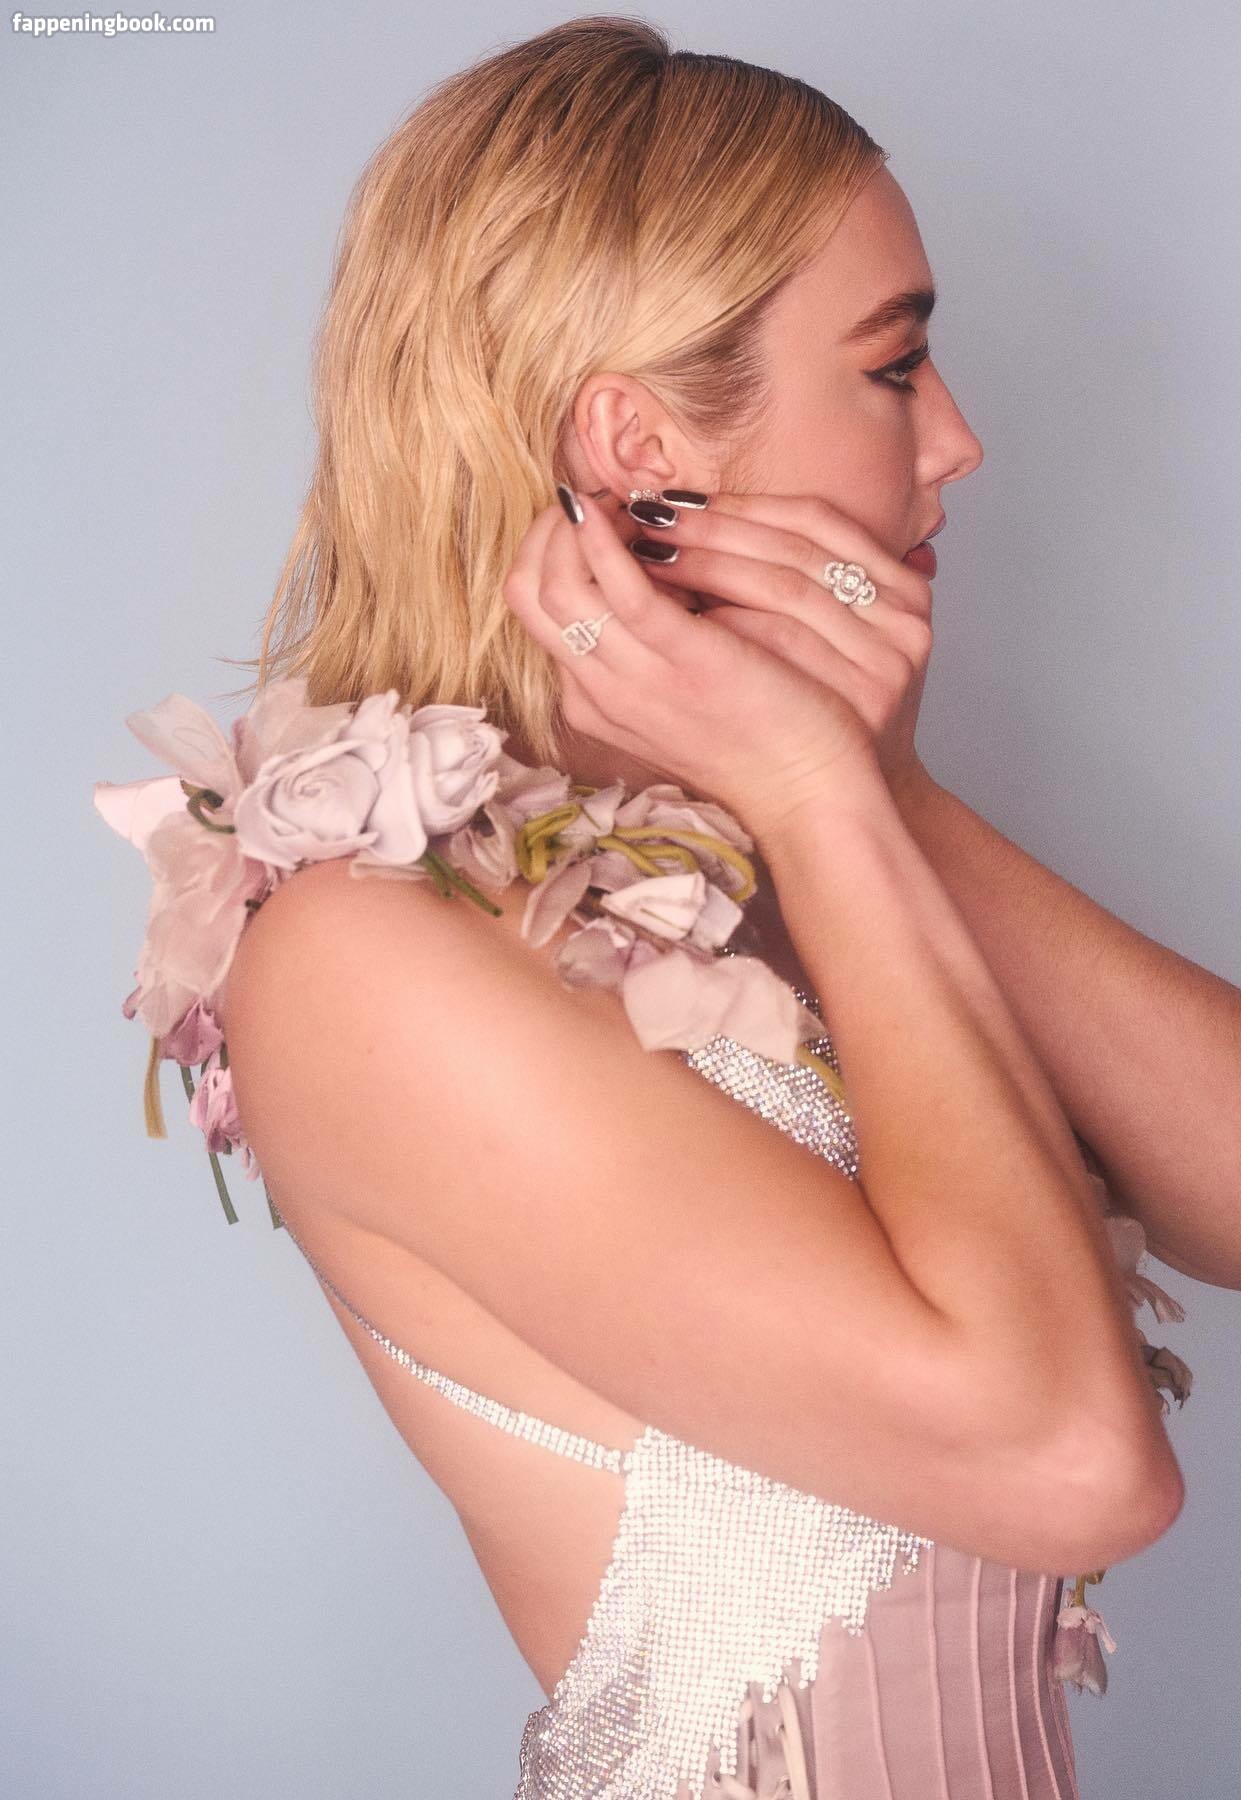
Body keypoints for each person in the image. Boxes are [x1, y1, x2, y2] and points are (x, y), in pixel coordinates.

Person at [212, 18, 1190, 1797]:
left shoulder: (758, 849)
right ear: (636, 444)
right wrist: (821, 796)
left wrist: (868, 788)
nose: (960, 441)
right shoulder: (365, 958)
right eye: (896, 367)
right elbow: (1080, 1466)